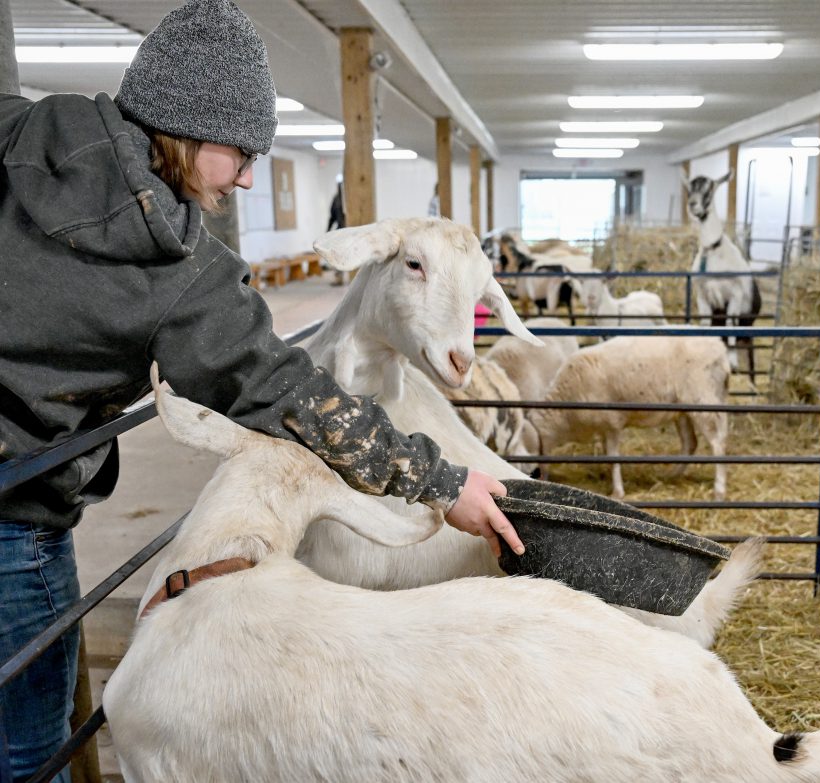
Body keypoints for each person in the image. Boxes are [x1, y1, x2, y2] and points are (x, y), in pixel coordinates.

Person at [0, 2, 522, 781]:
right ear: (187, 125)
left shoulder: (19, 129)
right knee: (26, 746)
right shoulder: (182, 273)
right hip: (18, 521)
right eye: (241, 153)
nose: (248, 175)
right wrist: (442, 481)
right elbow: (289, 392)